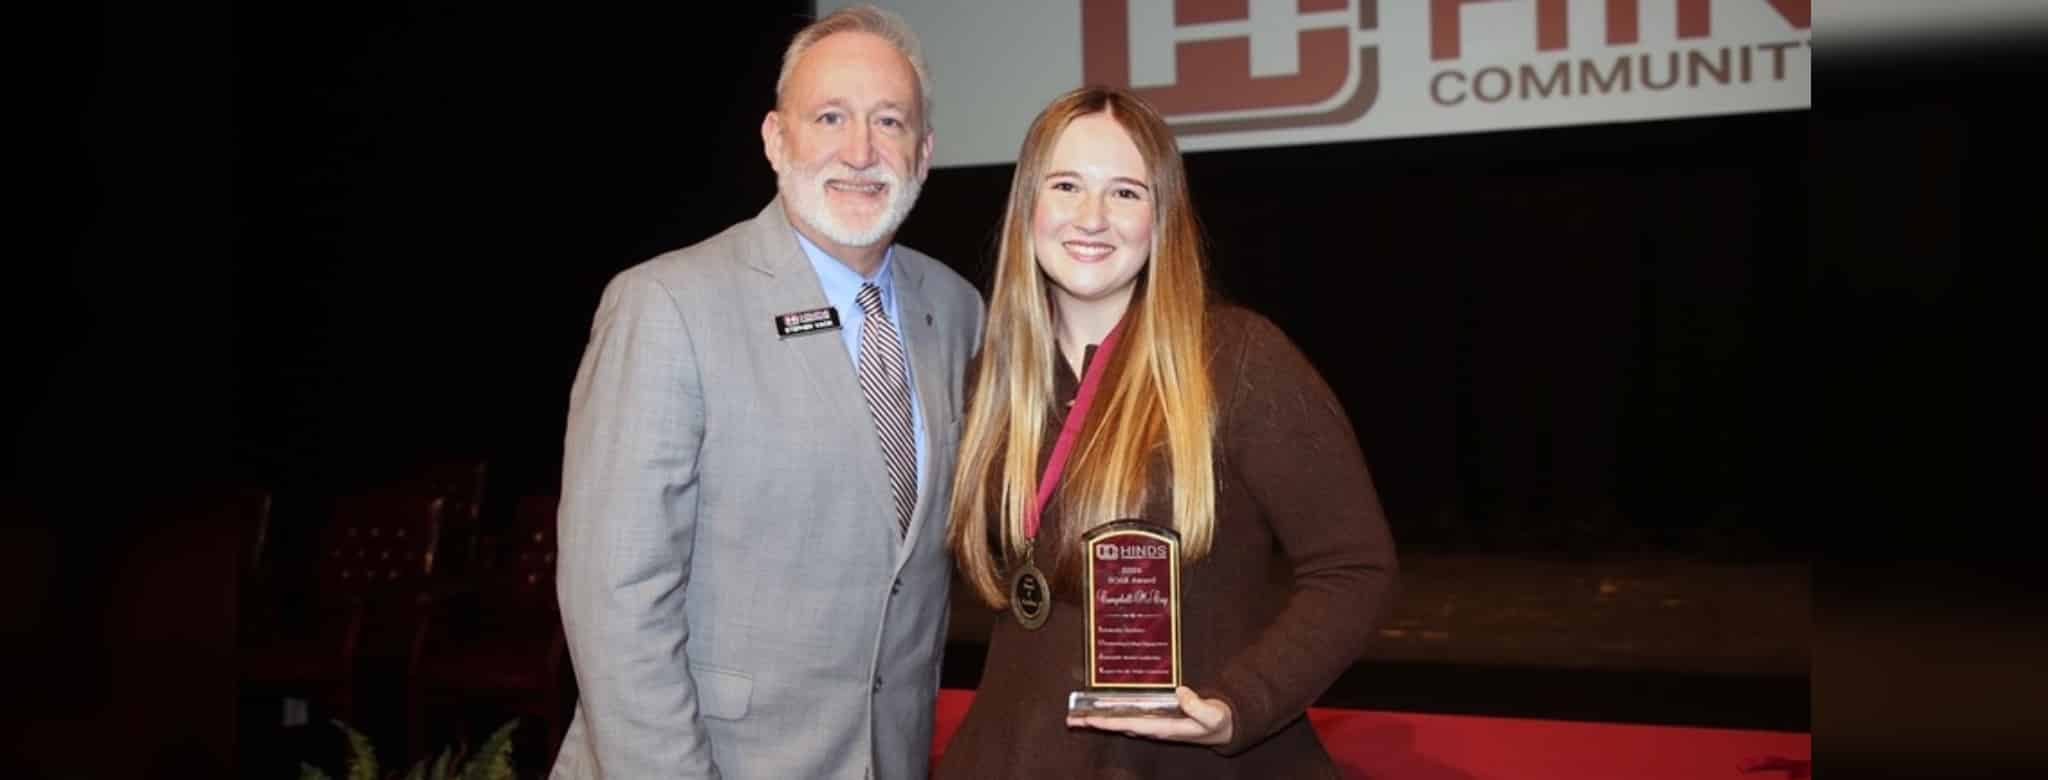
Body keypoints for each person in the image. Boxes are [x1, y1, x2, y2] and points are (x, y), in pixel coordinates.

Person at [549, 5, 984, 779]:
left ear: (923, 153)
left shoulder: (957, 311)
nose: (860, 151)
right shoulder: (667, 304)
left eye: (889, 121)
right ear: (776, 139)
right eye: (830, 117)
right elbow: (615, 596)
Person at [932, 85, 1398, 778]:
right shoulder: (991, 378)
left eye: (1125, 192)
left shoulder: (1237, 360)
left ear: (1162, 217)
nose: (1092, 217)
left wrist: (1239, 703)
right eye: (1066, 185)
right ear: (1028, 204)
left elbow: (1356, 570)